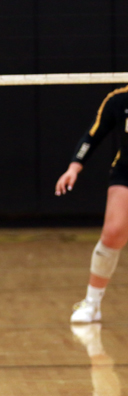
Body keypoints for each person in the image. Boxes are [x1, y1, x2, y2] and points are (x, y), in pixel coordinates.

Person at [55, 85, 128, 323]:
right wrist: (74, 168)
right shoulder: (119, 100)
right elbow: (93, 136)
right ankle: (92, 303)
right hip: (126, 173)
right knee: (113, 233)